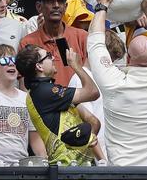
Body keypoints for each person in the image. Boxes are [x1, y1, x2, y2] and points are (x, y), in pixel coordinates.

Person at [85, 0, 147, 165]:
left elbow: (95, 41)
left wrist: (102, 4)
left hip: (121, 174)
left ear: (127, 58)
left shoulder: (113, 83)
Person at [17, 35, 102, 166]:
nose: (53, 58)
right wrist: (76, 66)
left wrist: (86, 142)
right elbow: (93, 93)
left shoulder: (49, 92)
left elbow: (94, 122)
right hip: (65, 169)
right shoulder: (43, 92)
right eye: (49, 55)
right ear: (39, 66)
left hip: (80, 166)